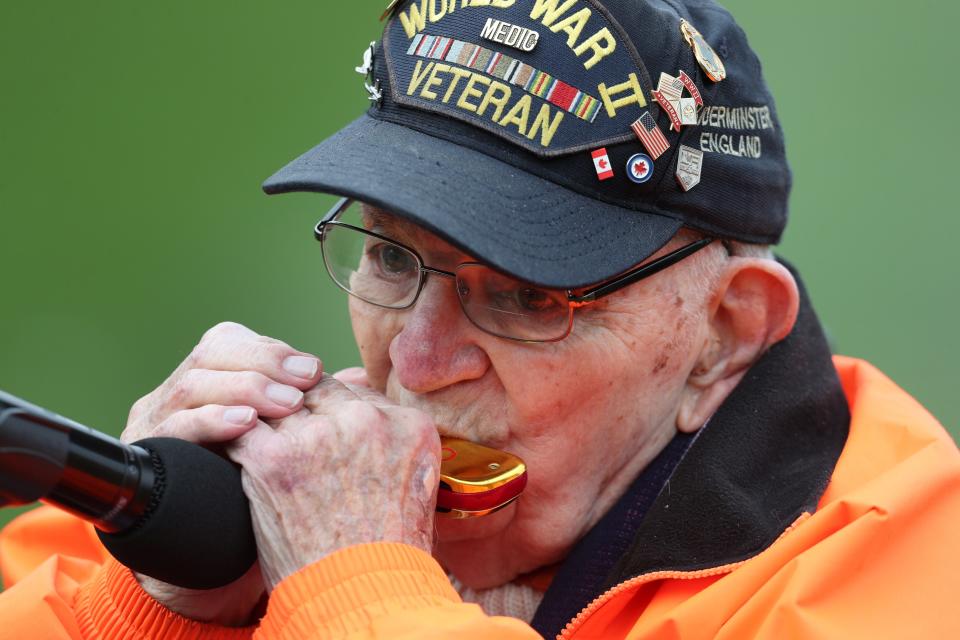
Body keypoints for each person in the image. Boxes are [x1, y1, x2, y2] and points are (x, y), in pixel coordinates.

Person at [2, 0, 959, 637]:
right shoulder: (209, 500)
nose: (417, 362)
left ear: (723, 336)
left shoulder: (905, 568)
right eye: (387, 255)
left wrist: (361, 597)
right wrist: (164, 605)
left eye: (526, 296)